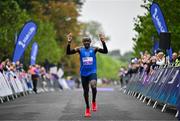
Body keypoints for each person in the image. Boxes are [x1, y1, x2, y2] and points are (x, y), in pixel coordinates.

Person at [66, 33, 108, 117]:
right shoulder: (79, 49)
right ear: (82, 42)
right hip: (83, 73)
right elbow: (68, 53)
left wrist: (103, 42)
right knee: (86, 91)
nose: (86, 43)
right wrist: (69, 42)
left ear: (90, 42)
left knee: (93, 85)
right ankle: (87, 108)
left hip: (92, 72)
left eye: (87, 41)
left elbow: (105, 51)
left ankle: (93, 101)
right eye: (84, 41)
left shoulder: (94, 49)